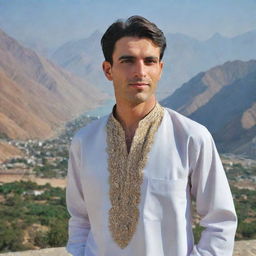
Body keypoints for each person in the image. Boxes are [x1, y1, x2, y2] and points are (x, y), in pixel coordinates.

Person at [66, 15, 237, 256]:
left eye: (149, 61)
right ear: (108, 70)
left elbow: (221, 221)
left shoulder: (191, 138)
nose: (140, 71)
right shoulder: (84, 142)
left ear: (160, 69)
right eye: (127, 60)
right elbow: (80, 219)